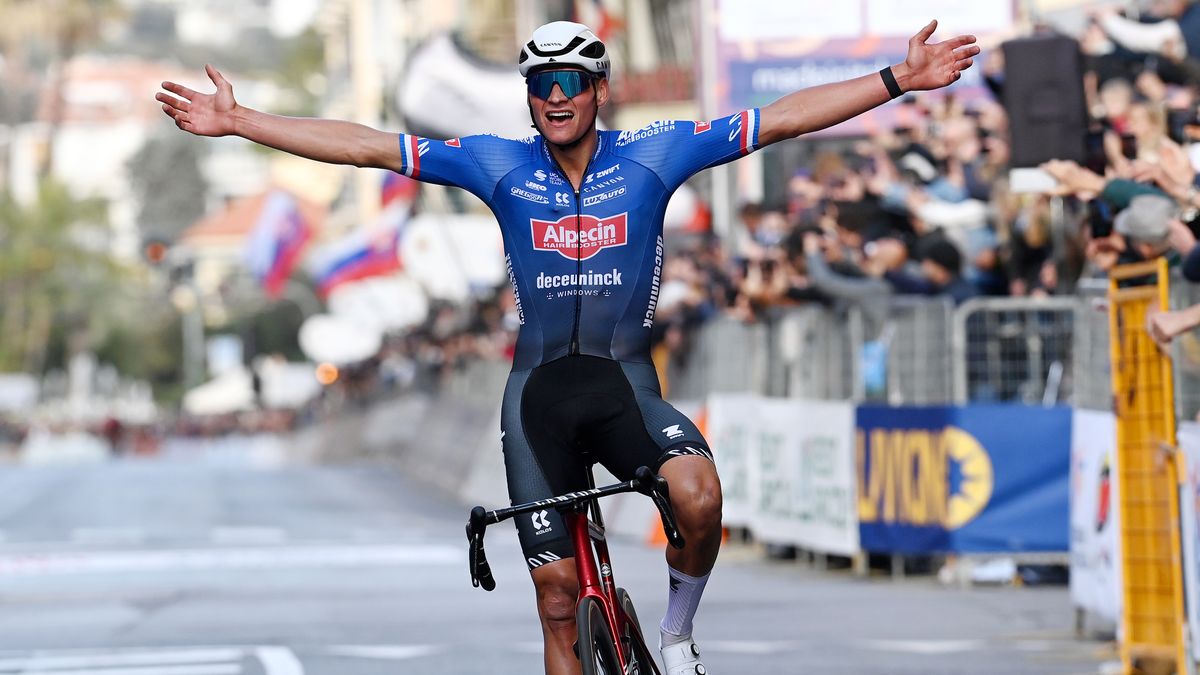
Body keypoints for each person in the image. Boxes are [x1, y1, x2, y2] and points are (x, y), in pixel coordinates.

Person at [157, 19, 978, 675]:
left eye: (569, 83)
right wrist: (241, 124)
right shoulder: (495, 164)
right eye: (539, 85)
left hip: (623, 387)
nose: (554, 97)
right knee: (555, 597)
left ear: (597, 92)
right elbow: (370, 144)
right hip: (538, 397)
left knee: (697, 495)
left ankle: (679, 634)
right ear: (528, 99)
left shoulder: (655, 154)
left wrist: (898, 79)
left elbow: (782, 119)